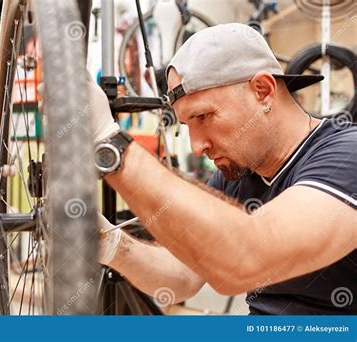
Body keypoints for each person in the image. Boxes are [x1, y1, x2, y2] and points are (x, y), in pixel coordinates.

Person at [90, 23, 356, 315]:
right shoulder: (238, 173)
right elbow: (183, 278)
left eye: (203, 115)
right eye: (187, 125)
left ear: (263, 91)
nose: (196, 147)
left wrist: (111, 145)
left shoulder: (347, 155)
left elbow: (248, 259)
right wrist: (110, 244)